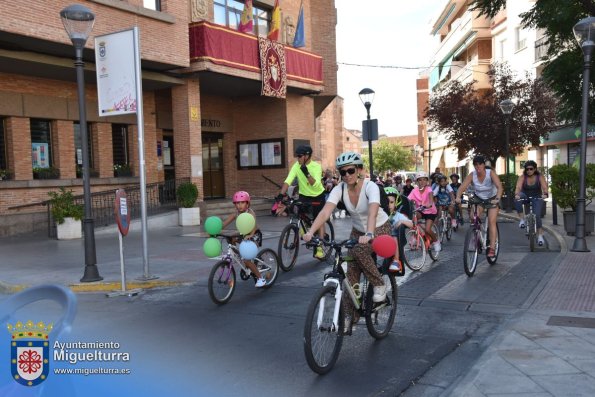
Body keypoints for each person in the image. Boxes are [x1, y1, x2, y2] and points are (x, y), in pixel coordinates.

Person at [303, 151, 392, 334]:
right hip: (358, 231)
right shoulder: (340, 188)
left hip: (378, 227)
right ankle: (350, 316)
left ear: (359, 169)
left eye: (350, 170)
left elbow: (374, 211)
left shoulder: (371, 187)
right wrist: (311, 232)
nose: (347, 175)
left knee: (359, 250)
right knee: (349, 273)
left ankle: (379, 285)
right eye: (342, 172)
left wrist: (369, 232)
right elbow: (325, 212)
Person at [277, 145, 326, 258]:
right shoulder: (296, 166)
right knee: (297, 211)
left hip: (317, 195)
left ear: (307, 156)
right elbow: (288, 180)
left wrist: (306, 173)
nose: (297, 159)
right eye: (296, 156)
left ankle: (320, 247)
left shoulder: (316, 167)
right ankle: (305, 230)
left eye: (299, 156)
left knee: (319, 220)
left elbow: (315, 184)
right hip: (304, 195)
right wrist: (281, 194)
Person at [455, 155, 503, 259]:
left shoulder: (490, 173)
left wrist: (498, 198)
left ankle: (492, 248)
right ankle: (475, 233)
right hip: (479, 198)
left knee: (491, 221)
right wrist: (458, 197)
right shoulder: (472, 175)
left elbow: (499, 187)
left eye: (480, 164)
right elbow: (462, 187)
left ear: (483, 165)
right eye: (475, 165)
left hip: (492, 198)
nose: (478, 167)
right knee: (473, 217)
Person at [222, 191, 266, 288]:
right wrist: (216, 230)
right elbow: (225, 223)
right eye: (237, 203)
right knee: (231, 239)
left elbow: (253, 224)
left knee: (246, 260)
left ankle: (260, 278)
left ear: (247, 203)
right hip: (243, 233)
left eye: (242, 203)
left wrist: (251, 235)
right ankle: (243, 258)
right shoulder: (236, 214)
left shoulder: (250, 212)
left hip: (254, 234)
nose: (239, 205)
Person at [514, 160, 548, 246]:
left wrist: (545, 194)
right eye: (527, 169)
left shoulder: (539, 176)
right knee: (517, 200)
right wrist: (517, 194)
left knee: (537, 215)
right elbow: (518, 187)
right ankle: (522, 220)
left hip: (537, 197)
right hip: (525, 196)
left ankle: (540, 235)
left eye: (531, 169)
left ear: (535, 169)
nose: (529, 171)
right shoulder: (522, 177)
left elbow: (544, 187)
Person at [407, 171, 441, 252]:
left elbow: (431, 198)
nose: (422, 182)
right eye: (420, 180)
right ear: (417, 181)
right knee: (413, 218)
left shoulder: (429, 189)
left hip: (430, 211)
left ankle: (436, 241)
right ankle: (414, 236)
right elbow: (408, 200)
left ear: (427, 181)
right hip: (421, 211)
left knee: (428, 229)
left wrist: (429, 203)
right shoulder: (414, 191)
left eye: (424, 180)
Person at [385, 187, 413, 272]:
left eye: (391, 202)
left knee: (393, 233)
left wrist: (401, 221)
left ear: (396, 203)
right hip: (382, 239)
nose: (389, 205)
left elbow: (411, 224)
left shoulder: (398, 215)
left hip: (396, 239)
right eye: (386, 202)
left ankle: (396, 260)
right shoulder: (380, 214)